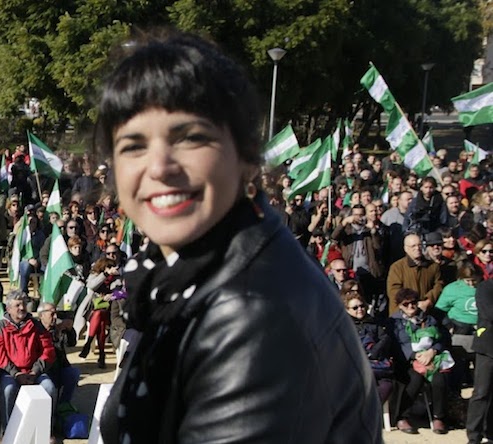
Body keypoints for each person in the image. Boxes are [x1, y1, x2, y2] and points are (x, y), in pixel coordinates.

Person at [93, 33, 381, 443]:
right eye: (133, 145)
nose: (158, 166)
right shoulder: (181, 274)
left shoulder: (250, 315)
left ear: (246, 155)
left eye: (189, 137)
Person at [0, 291, 57, 436]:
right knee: (8, 390)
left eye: (24, 304)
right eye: (17, 305)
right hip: (10, 373)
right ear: (8, 309)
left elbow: (48, 350)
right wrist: (16, 373)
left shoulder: (37, 326)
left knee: (49, 388)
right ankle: (7, 432)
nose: (22, 307)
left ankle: (46, 430)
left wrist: (35, 371)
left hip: (34, 372)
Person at [389, 289, 453, 434]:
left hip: (431, 357)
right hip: (407, 361)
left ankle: (438, 417)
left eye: (414, 303)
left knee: (439, 379)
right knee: (414, 380)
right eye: (406, 304)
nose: (411, 306)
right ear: (400, 306)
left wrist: (433, 351)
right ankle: (402, 416)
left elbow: (441, 338)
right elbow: (396, 344)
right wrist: (414, 357)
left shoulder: (428, 319)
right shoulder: (394, 322)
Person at [344, 289, 394, 404]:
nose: (360, 310)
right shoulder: (345, 327)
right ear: (347, 310)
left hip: (377, 366)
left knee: (386, 386)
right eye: (355, 308)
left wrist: (375, 351)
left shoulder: (374, 323)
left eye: (362, 306)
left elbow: (384, 339)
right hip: (356, 367)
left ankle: (369, 411)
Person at [387, 234, 444, 316]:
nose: (417, 248)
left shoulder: (433, 266)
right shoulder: (397, 268)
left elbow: (439, 284)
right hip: (403, 314)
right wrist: (411, 304)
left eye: (419, 245)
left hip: (426, 312)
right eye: (413, 246)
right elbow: (393, 291)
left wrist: (428, 300)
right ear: (406, 249)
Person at [467, 278, 493, 443]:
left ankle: (490, 433)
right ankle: (474, 436)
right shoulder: (485, 287)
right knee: (481, 393)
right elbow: (489, 313)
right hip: (488, 346)